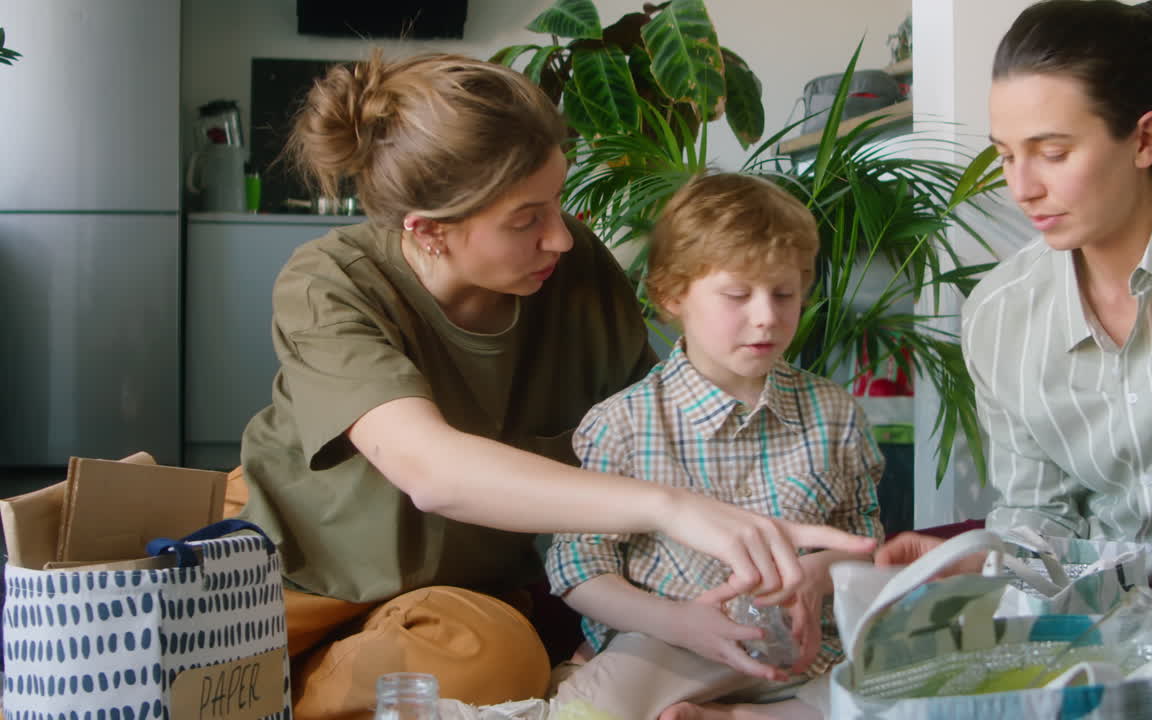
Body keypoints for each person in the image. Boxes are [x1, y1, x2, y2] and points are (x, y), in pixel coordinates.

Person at [223, 52, 877, 718]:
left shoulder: (576, 274)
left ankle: (275, 688)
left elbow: (660, 430)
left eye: (558, 202)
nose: (561, 237)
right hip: (296, 564)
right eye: (526, 218)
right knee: (176, 664)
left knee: (498, 665)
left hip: (450, 597)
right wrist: (669, 508)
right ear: (429, 230)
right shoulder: (330, 282)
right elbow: (429, 469)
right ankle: (267, 680)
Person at [876, 1, 1152, 716]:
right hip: (1128, 627)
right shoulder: (1000, 315)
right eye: (1005, 154)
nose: (1021, 187)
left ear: (1145, 139)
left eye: (1053, 152)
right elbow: (1042, 518)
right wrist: (982, 564)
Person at [546, 172, 885, 720]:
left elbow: (863, 544)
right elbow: (579, 571)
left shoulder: (835, 413)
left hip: (807, 652)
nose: (766, 316)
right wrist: (676, 623)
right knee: (587, 709)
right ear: (671, 294)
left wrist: (818, 578)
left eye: (784, 293)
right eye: (737, 295)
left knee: (913, 687)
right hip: (672, 642)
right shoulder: (623, 423)